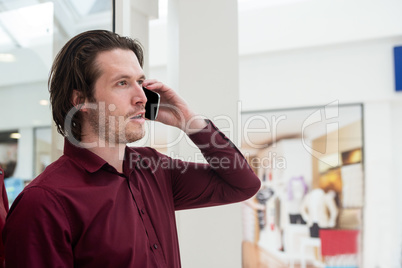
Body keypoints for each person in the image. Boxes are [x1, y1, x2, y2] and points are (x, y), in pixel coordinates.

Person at [2, 30, 260, 267]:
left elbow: (242, 184)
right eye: (122, 83)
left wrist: (189, 121)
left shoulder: (154, 169)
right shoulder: (45, 202)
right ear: (80, 100)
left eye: (140, 82)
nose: (142, 98)